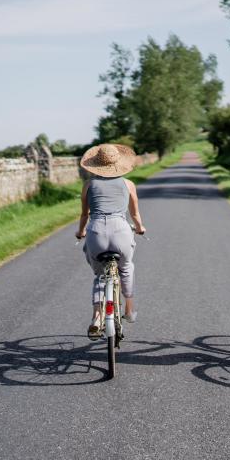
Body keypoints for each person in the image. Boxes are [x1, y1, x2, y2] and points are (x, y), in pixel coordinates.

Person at [76, 143, 146, 340]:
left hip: (96, 231)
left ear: (96, 165)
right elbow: (135, 214)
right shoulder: (128, 184)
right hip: (121, 231)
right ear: (119, 163)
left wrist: (80, 232)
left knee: (100, 275)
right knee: (126, 269)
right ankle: (130, 311)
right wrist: (140, 228)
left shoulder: (89, 185)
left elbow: (84, 215)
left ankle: (97, 317)